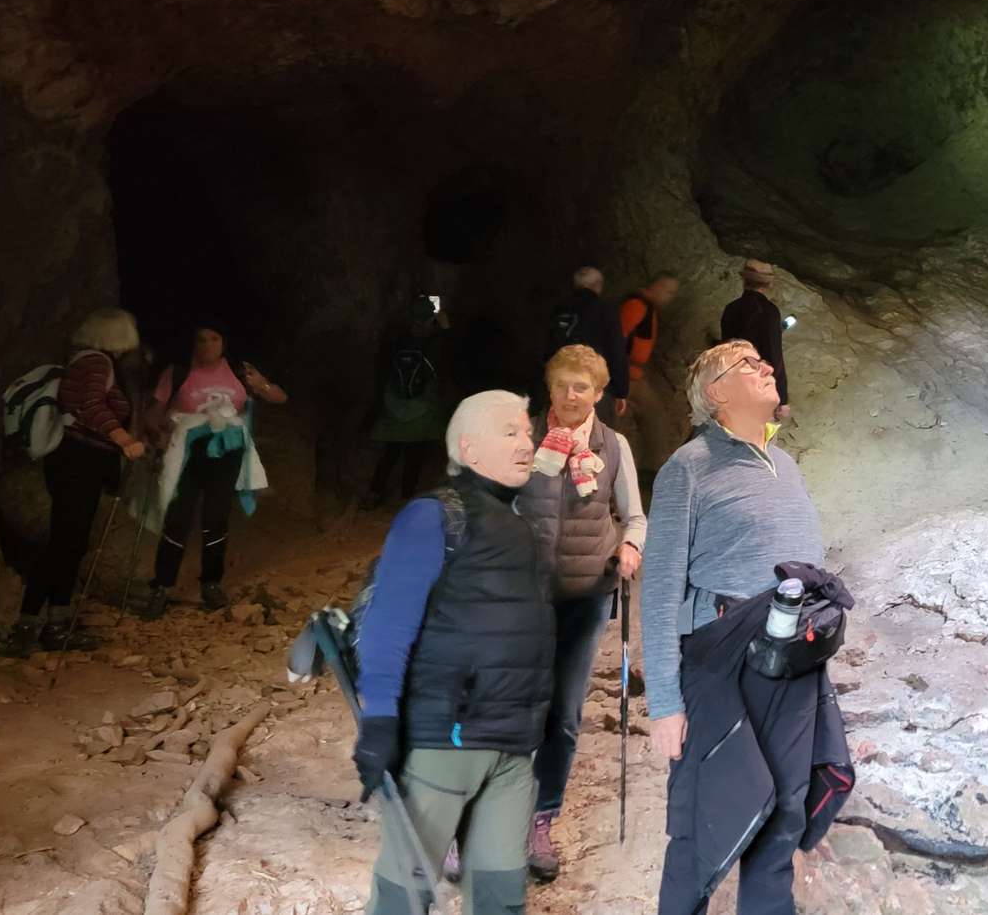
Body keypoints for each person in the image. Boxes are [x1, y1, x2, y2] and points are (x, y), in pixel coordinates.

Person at [645, 340, 842, 915]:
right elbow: (659, 589)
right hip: (719, 664)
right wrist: (664, 703)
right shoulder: (688, 467)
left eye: (763, 361)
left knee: (783, 817)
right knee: (700, 824)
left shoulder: (786, 465)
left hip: (794, 659)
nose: (766, 367)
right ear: (717, 393)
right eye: (748, 365)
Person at [352, 391, 552, 915]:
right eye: (509, 432)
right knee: (404, 897)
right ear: (469, 448)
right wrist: (379, 720)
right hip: (445, 741)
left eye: (527, 432)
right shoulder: (434, 516)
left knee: (501, 898)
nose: (526, 443)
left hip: (512, 747)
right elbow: (388, 623)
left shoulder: (520, 525)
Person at [518, 345, 646, 882]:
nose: (571, 396)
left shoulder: (612, 447)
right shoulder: (521, 436)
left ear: (598, 393)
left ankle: (540, 820)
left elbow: (635, 517)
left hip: (585, 594)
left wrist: (631, 546)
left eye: (582, 387)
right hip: (521, 597)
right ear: (548, 388)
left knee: (563, 716)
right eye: (562, 385)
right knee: (504, 707)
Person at [6, 308, 147, 655]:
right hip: (77, 461)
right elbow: (89, 405)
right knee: (64, 541)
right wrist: (123, 439)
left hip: (81, 462)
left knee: (73, 541)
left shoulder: (92, 362)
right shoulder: (96, 363)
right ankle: (28, 625)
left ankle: (55, 622)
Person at [141, 322, 287, 617]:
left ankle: (211, 584)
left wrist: (261, 384)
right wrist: (157, 434)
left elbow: (279, 398)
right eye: (201, 339)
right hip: (186, 454)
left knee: (216, 517)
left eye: (214, 339)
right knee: (178, 518)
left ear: (224, 342)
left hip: (226, 453)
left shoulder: (239, 371)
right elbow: (154, 412)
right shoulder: (178, 372)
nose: (207, 345)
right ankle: (163, 586)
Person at [364, 295, 452, 509]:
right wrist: (445, 328)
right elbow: (448, 358)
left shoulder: (399, 338)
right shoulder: (434, 341)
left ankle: (374, 493)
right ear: (430, 319)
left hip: (396, 404)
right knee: (415, 454)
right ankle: (406, 497)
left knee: (391, 452)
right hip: (422, 407)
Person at [543, 267, 630, 418]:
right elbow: (616, 350)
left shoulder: (558, 309)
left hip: (560, 383)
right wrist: (621, 391)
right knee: (594, 430)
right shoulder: (605, 310)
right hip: (591, 384)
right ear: (597, 285)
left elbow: (546, 348)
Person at [618, 274, 681, 474]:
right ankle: (650, 470)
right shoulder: (636, 306)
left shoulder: (647, 308)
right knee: (654, 419)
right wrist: (619, 373)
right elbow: (619, 337)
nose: (669, 298)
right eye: (668, 291)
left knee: (653, 418)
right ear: (657, 286)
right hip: (624, 374)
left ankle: (648, 470)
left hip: (633, 374)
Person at [719, 260, 791, 421]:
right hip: (756, 387)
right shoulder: (769, 311)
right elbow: (774, 356)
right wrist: (782, 398)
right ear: (769, 283)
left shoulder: (731, 308)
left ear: (744, 279)